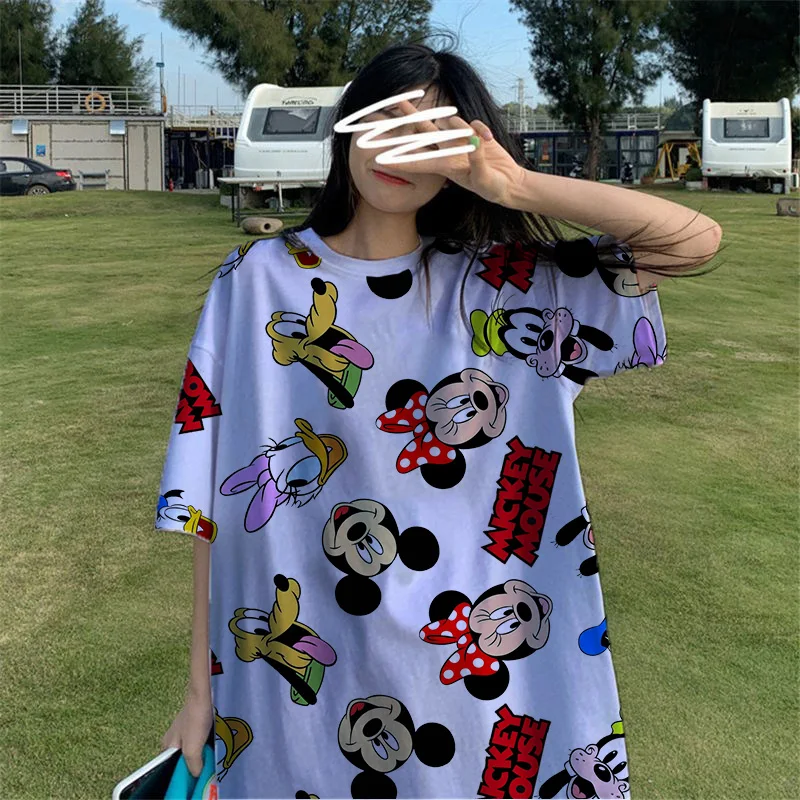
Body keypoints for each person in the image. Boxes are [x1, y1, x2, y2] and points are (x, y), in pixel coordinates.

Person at [155, 40, 723, 799]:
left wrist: (517, 186)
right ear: (349, 125)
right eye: (389, 121)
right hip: (309, 692)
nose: (403, 150)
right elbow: (207, 508)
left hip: (479, 692)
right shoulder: (253, 283)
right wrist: (200, 691)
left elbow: (692, 242)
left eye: (433, 135)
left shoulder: (503, 287)